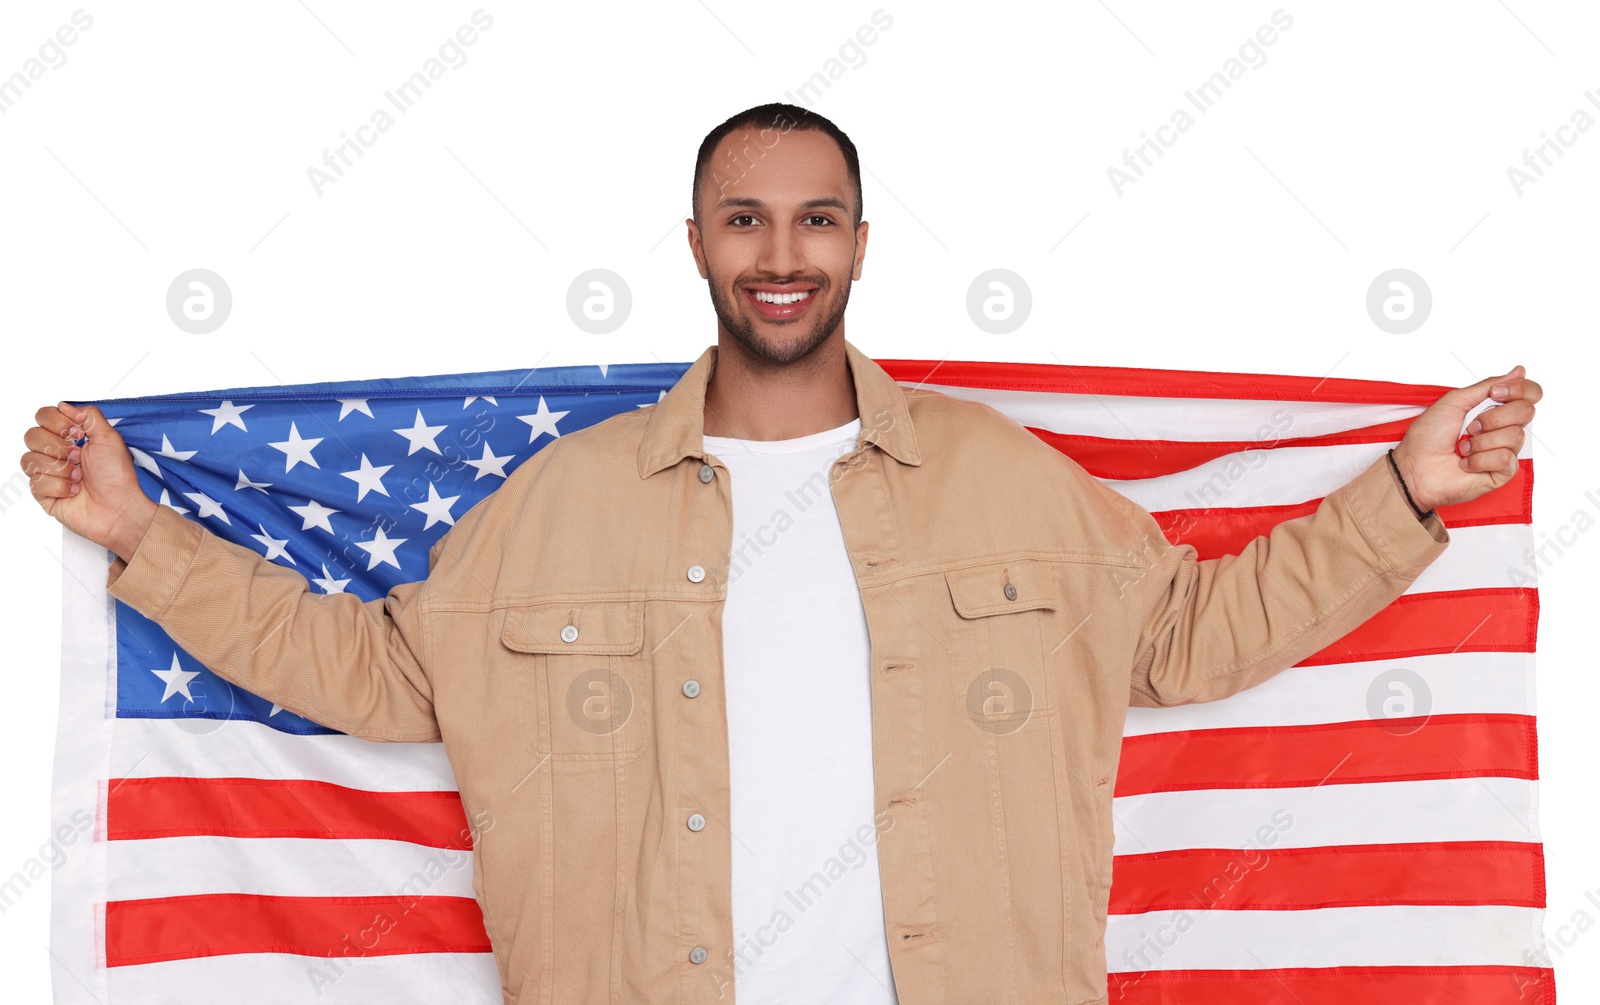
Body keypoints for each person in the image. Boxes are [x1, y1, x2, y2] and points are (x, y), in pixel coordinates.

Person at [20, 102, 1541, 1005]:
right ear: (694, 241)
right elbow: (371, 669)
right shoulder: (564, 502)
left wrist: (1406, 490)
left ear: (863, 243)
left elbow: (1199, 632)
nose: (782, 253)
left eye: (816, 220)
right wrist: (142, 535)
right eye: (745, 219)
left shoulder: (1001, 477)